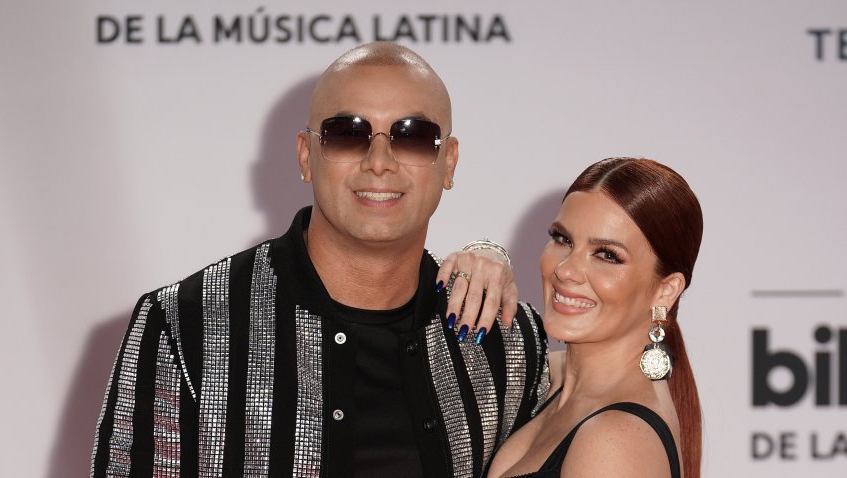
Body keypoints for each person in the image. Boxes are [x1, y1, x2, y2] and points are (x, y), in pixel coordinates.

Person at [90, 42, 550, 477]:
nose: (379, 161)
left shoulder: (505, 337)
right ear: (306, 156)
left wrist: (493, 249)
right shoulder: (185, 323)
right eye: (348, 134)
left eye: (412, 137)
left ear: (447, 163)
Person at [486, 157, 703, 478]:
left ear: (666, 290)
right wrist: (483, 254)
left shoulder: (617, 440)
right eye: (562, 239)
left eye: (607, 255)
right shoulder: (548, 379)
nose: (565, 270)